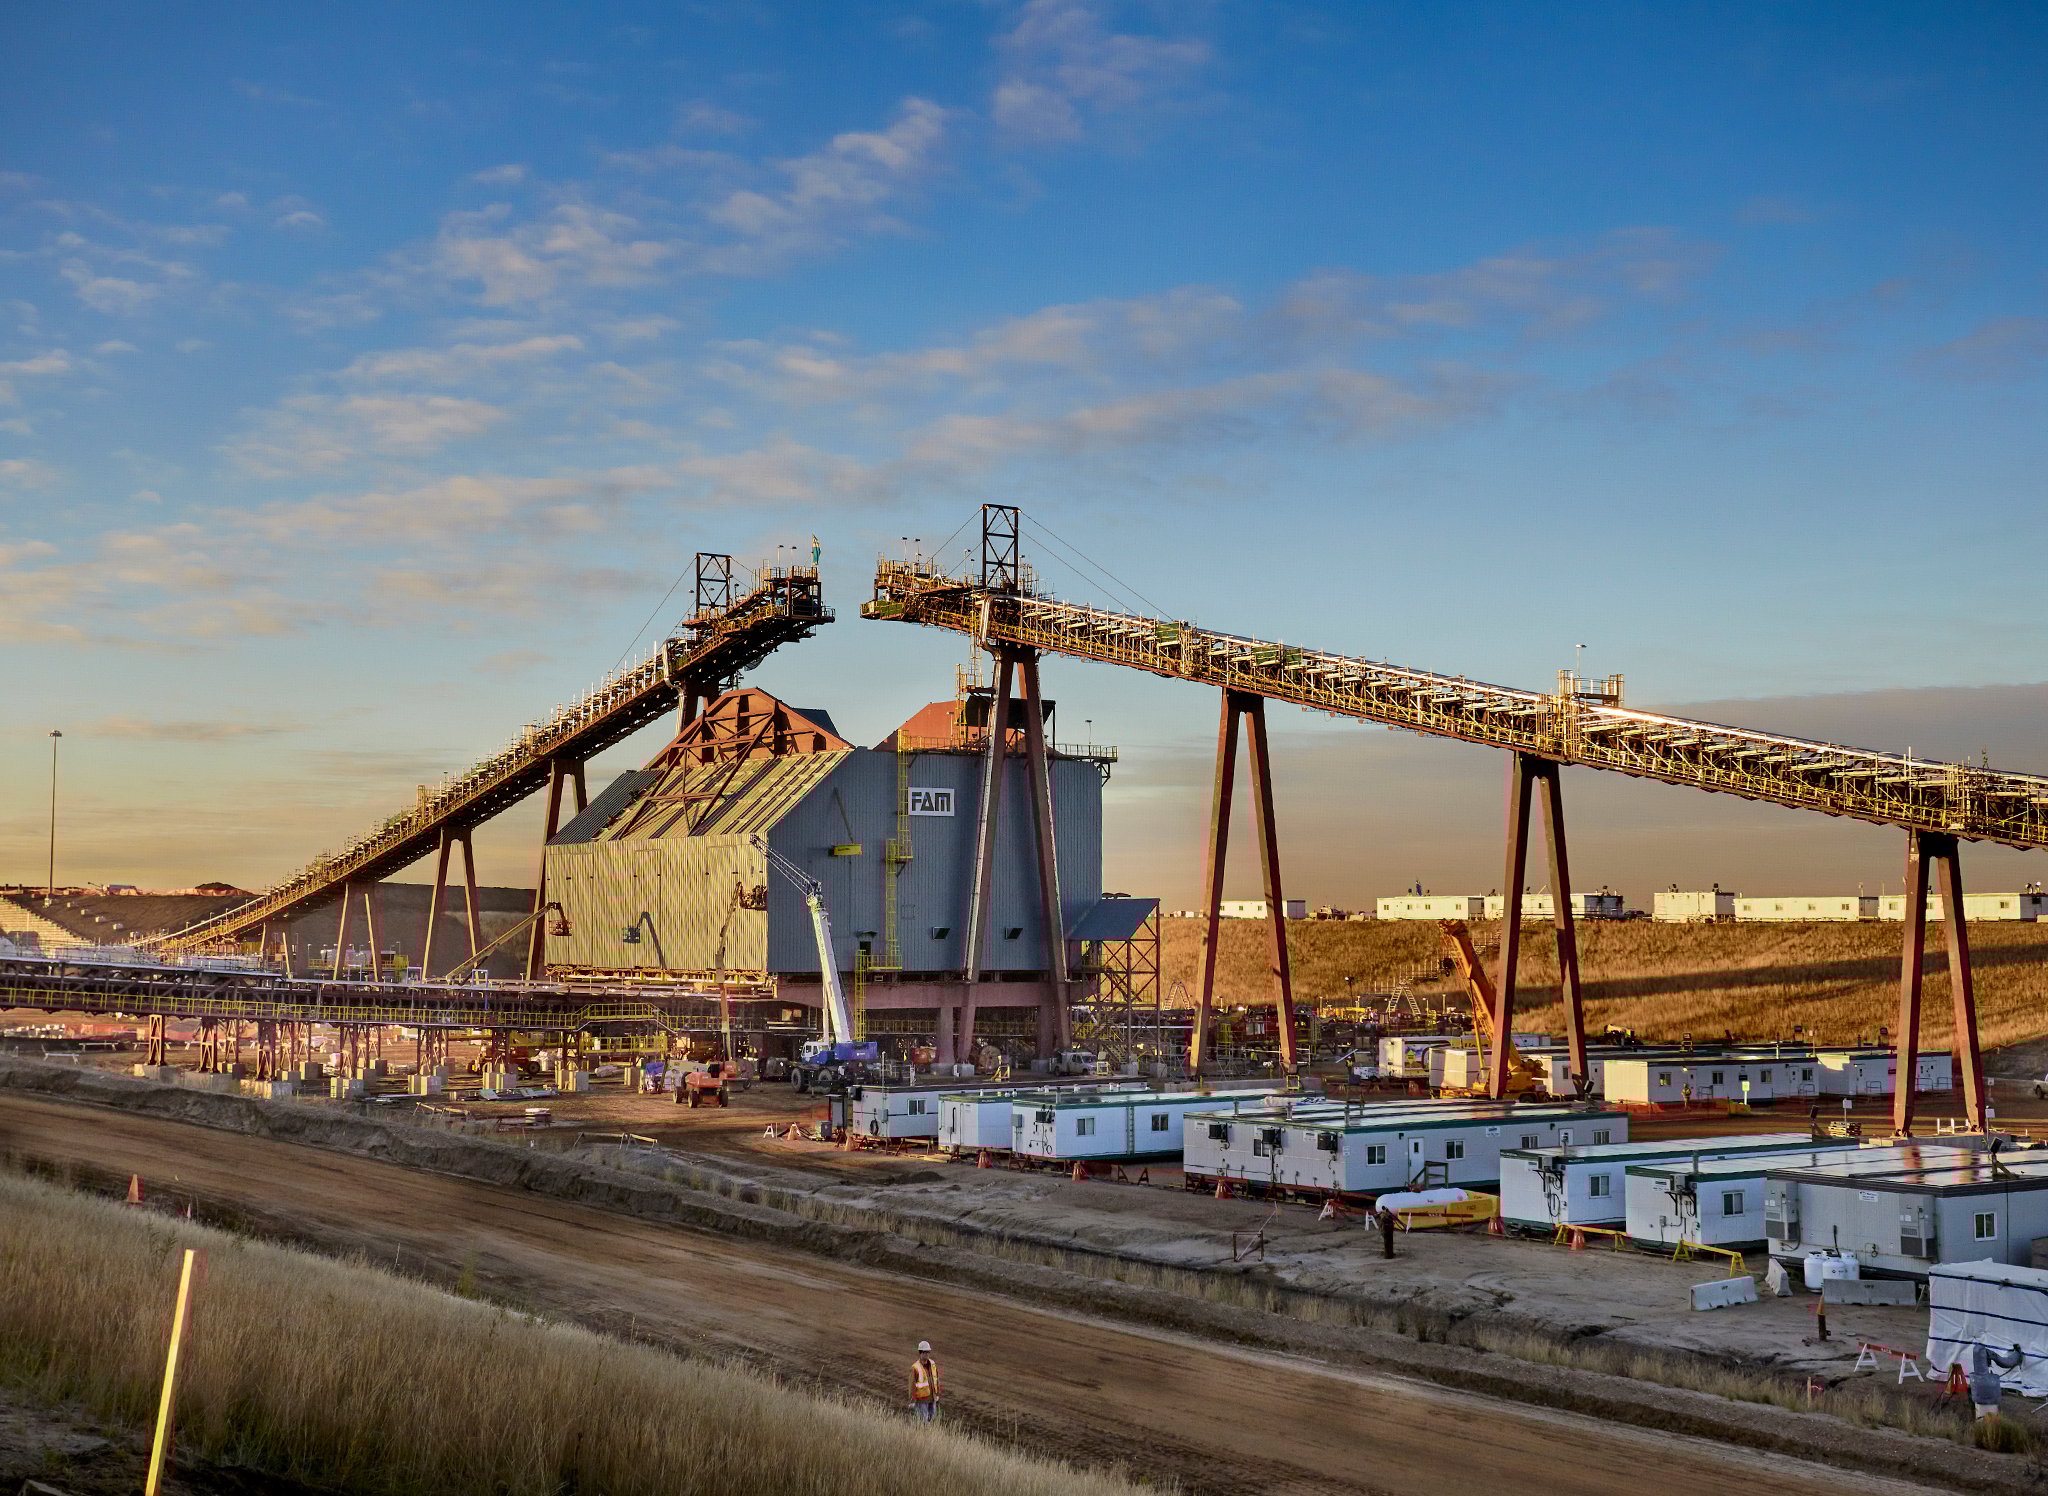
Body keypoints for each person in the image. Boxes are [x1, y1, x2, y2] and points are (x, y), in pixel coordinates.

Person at [1969, 1341, 2024, 1420]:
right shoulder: (1984, 1352)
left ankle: (1982, 1425)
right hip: (1988, 1399)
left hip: (1980, 1400)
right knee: (1991, 1419)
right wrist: (2017, 1355)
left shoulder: (1976, 1377)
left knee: (1982, 1419)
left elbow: (2005, 1362)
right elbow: (2005, 1362)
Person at [910, 1340, 941, 1422]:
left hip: (932, 1398)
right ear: (920, 1353)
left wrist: (937, 1393)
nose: (927, 1354)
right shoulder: (915, 1367)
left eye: (928, 1352)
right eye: (925, 1352)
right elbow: (912, 1385)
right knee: (923, 1421)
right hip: (922, 1400)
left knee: (932, 1419)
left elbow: (936, 1379)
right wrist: (912, 1400)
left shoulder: (932, 1364)